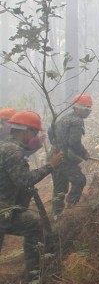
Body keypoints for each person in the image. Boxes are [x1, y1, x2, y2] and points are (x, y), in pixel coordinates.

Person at [0, 111, 63, 282]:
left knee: (33, 226)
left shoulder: (7, 146)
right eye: (34, 132)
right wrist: (50, 166)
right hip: (3, 211)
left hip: (6, 209)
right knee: (34, 227)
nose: (34, 136)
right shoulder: (13, 151)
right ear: (25, 131)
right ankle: (33, 277)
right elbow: (24, 180)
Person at [49, 94, 93, 218]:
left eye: (89, 110)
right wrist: (84, 153)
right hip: (63, 159)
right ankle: (70, 210)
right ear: (79, 108)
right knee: (80, 180)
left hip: (54, 156)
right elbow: (74, 143)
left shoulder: (64, 119)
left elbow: (51, 133)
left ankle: (56, 215)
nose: (88, 113)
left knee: (60, 188)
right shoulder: (76, 121)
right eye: (87, 110)